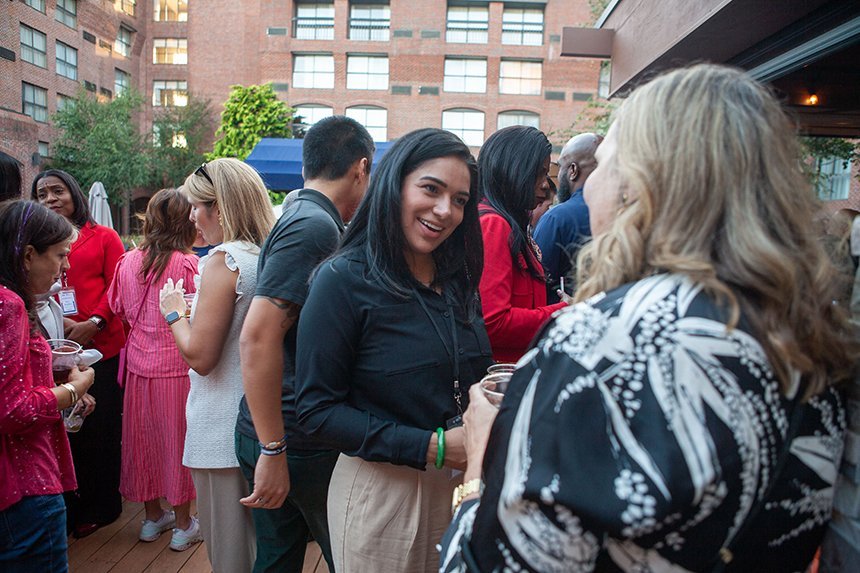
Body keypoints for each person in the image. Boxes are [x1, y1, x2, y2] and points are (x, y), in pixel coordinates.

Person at [439, 64, 858, 573]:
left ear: (639, 187)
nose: (585, 189)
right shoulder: (813, 336)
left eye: (603, 166)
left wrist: (481, 468)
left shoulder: (599, 342)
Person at [295, 128, 494, 572]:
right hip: (383, 494)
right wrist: (435, 446)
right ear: (394, 184)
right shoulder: (343, 280)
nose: (445, 210)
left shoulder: (458, 279)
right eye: (431, 189)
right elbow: (316, 410)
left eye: (460, 200)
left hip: (465, 485)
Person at [237, 116, 374, 573]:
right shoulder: (314, 226)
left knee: (278, 558)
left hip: (285, 432)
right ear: (361, 168)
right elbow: (257, 336)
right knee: (351, 559)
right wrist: (273, 450)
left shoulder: (302, 212)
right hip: (294, 437)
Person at [159, 158, 275, 571]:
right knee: (261, 548)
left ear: (221, 208)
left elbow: (201, 357)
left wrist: (175, 313)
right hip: (258, 426)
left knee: (230, 554)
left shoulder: (224, 260)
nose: (191, 216)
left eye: (196, 206)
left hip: (220, 426)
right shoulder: (264, 255)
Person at [0, 200, 95, 571]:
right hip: (24, 487)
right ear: (27, 256)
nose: (65, 266)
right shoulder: (8, 305)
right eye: (59, 255)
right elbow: (12, 409)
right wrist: (74, 388)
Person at [32, 169, 126, 538]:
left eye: (58, 191)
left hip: (100, 346)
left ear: (74, 193)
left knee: (99, 431)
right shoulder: (36, 241)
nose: (51, 199)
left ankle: (103, 505)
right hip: (54, 351)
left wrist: (95, 323)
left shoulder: (103, 236)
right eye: (42, 194)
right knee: (65, 433)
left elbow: (119, 285)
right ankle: (70, 504)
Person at [107, 188, 199, 550]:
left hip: (137, 368)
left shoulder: (127, 262)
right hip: (176, 367)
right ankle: (182, 525)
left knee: (141, 443)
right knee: (175, 445)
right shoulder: (188, 265)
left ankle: (150, 519)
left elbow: (116, 306)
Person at [477, 125, 566, 363]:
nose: (546, 184)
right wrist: (564, 311)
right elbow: (494, 322)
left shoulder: (509, 223)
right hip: (500, 376)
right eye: (539, 173)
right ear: (513, 169)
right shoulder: (494, 225)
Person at [533, 132, 603, 301]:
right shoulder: (629, 212)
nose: (547, 182)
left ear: (572, 170)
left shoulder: (556, 218)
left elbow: (536, 287)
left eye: (560, 167)